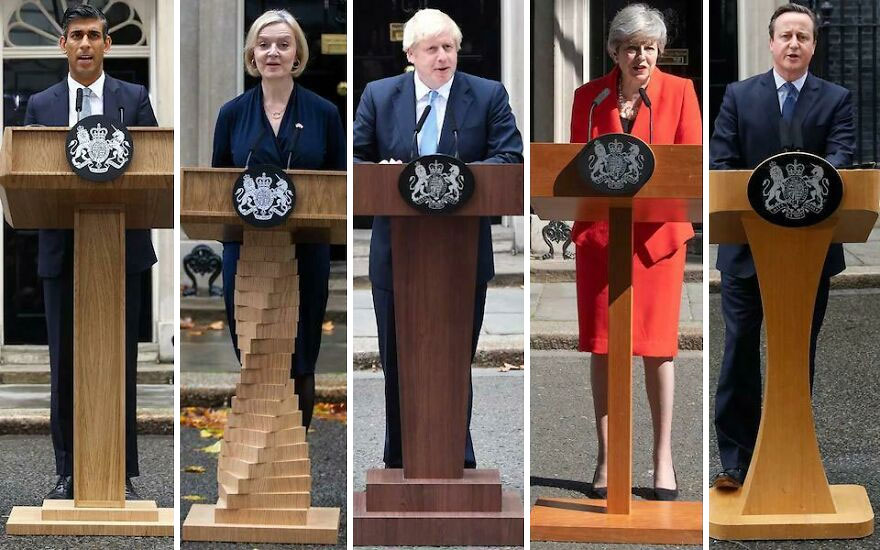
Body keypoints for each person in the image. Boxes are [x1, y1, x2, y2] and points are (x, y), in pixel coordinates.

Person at [353, 8, 522, 469]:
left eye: (449, 47)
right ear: (411, 54)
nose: (443, 56)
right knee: (399, 362)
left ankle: (455, 457)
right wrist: (382, 176)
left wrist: (460, 177)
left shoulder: (487, 95)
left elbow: (510, 157)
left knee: (453, 361)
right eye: (432, 48)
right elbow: (354, 160)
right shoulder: (379, 95)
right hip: (396, 256)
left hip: (461, 255)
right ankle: (399, 458)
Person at [710, 3, 854, 489]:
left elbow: (842, 157)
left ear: (814, 45)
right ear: (771, 42)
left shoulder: (836, 98)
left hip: (810, 250)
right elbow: (723, 158)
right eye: (786, 36)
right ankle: (736, 460)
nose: (794, 44)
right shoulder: (738, 95)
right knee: (740, 350)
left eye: (804, 37)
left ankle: (792, 447)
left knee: (797, 351)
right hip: (747, 250)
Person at [23, 4, 157, 500]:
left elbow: (153, 166)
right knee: (65, 367)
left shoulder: (134, 98)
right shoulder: (40, 104)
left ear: (107, 44)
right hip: (62, 252)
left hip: (121, 251)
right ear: (63, 44)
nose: (84, 44)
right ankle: (67, 470)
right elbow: (28, 173)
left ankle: (119, 470)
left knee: (120, 363)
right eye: (75, 35)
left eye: (93, 35)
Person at [570, 3, 701, 501]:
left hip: (657, 243)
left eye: (649, 47)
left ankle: (661, 457)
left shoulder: (682, 92)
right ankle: (606, 455)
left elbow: (688, 171)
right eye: (631, 47)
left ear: (659, 50)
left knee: (658, 348)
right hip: (603, 240)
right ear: (614, 52)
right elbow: (574, 167)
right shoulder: (588, 97)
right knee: (604, 346)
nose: (640, 56)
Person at [213, 9, 346, 434]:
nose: (273, 52)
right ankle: (256, 452)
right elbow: (216, 188)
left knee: (300, 353)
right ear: (252, 53)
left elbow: (339, 184)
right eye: (265, 44)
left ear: (297, 55)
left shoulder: (324, 112)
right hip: (246, 250)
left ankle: (293, 448)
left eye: (283, 44)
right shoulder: (232, 113)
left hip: (305, 249)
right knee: (254, 352)